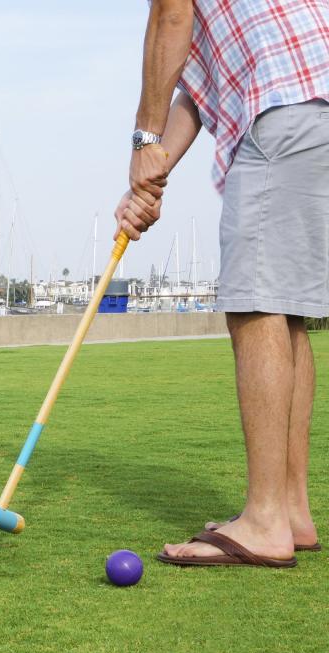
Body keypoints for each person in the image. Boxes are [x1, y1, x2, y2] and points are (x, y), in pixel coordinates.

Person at [115, 0, 329, 567]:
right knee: (285, 311)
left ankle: (264, 522)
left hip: (285, 107)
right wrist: (150, 178)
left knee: (256, 304)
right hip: (311, 100)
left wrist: (143, 139)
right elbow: (200, 94)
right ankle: (290, 511)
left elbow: (170, 16)